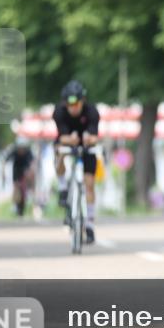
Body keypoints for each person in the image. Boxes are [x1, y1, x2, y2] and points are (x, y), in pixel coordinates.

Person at [53, 80, 101, 244]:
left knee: (89, 184)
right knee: (58, 151)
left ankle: (89, 225)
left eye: (76, 103)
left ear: (83, 101)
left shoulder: (92, 112)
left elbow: (95, 136)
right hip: (67, 141)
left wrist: (90, 139)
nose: (72, 107)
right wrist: (70, 140)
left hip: (86, 144)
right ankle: (63, 188)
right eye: (69, 104)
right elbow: (61, 136)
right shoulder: (59, 112)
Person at [6, 137, 35, 217]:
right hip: (16, 171)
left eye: (23, 148)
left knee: (24, 189)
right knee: (16, 187)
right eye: (20, 148)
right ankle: (15, 204)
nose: (21, 150)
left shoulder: (28, 152)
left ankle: (23, 205)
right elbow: (6, 159)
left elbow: (32, 162)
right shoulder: (14, 152)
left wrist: (31, 171)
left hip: (25, 171)